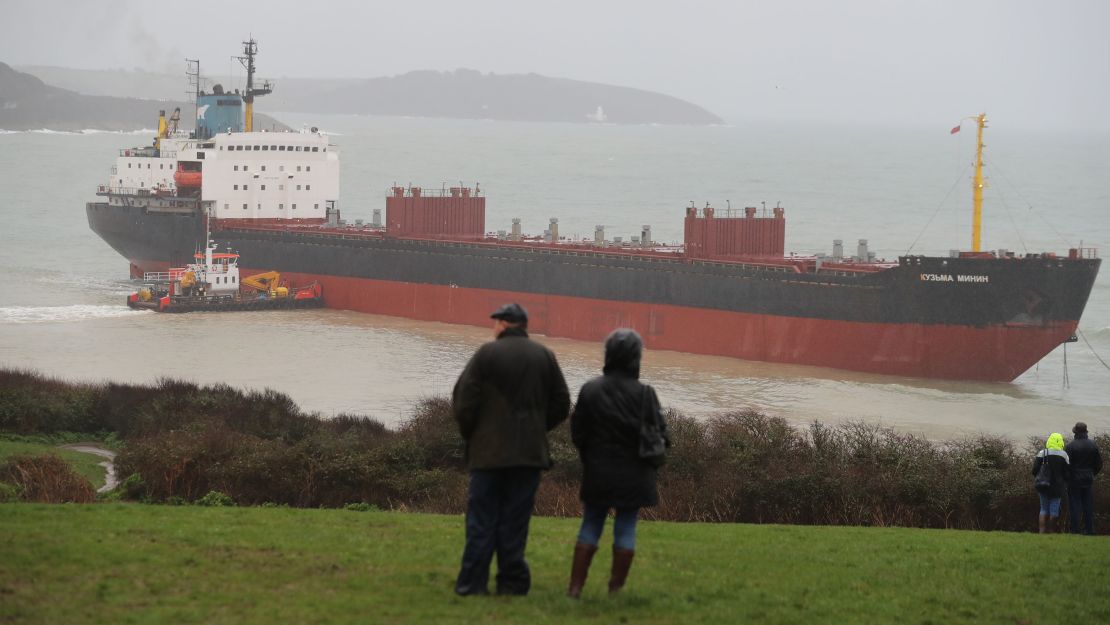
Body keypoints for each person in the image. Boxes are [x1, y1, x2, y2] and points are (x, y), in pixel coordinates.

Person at [452, 303, 570, 596]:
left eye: (496, 322)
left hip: (487, 456)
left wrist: (473, 435)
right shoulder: (545, 356)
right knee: (515, 522)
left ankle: (472, 584)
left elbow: (463, 401)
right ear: (524, 326)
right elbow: (562, 402)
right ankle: (512, 584)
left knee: (481, 520)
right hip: (528, 457)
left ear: (504, 325)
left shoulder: (486, 354)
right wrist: (537, 429)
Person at [567, 328, 670, 598]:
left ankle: (575, 589)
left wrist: (590, 457)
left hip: (598, 471)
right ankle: (614, 590)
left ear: (608, 354)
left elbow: (578, 432)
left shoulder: (590, 389)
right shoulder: (647, 394)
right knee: (626, 526)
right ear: (637, 357)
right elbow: (662, 435)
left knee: (590, 523)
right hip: (635, 475)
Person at [1065, 422, 1102, 535]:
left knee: (1075, 504)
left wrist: (1068, 477)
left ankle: (1075, 530)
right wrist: (1092, 473)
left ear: (1075, 432)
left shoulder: (1070, 446)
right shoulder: (1093, 445)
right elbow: (1099, 464)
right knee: (1088, 505)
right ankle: (1089, 530)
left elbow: (1066, 465)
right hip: (1088, 478)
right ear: (1086, 432)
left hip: (1074, 480)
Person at [1032, 432, 1070, 534]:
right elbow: (1067, 473)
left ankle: (1041, 530)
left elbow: (1034, 470)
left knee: (1043, 509)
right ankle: (1051, 530)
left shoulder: (1042, 453)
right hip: (1058, 486)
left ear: (1049, 441)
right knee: (1054, 510)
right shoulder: (1064, 455)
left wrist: (1039, 478)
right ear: (1061, 442)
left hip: (1043, 485)